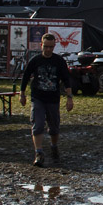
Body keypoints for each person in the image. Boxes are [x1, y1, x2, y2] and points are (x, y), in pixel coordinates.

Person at [20, 33, 74, 168]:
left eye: (51, 47)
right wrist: (22, 94)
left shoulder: (59, 61)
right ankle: (39, 153)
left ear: (54, 46)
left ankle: (54, 146)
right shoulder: (35, 60)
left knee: (54, 127)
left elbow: (66, 79)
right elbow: (26, 76)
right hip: (37, 98)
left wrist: (69, 98)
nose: (48, 49)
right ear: (41, 45)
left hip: (53, 99)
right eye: (46, 46)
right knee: (37, 124)